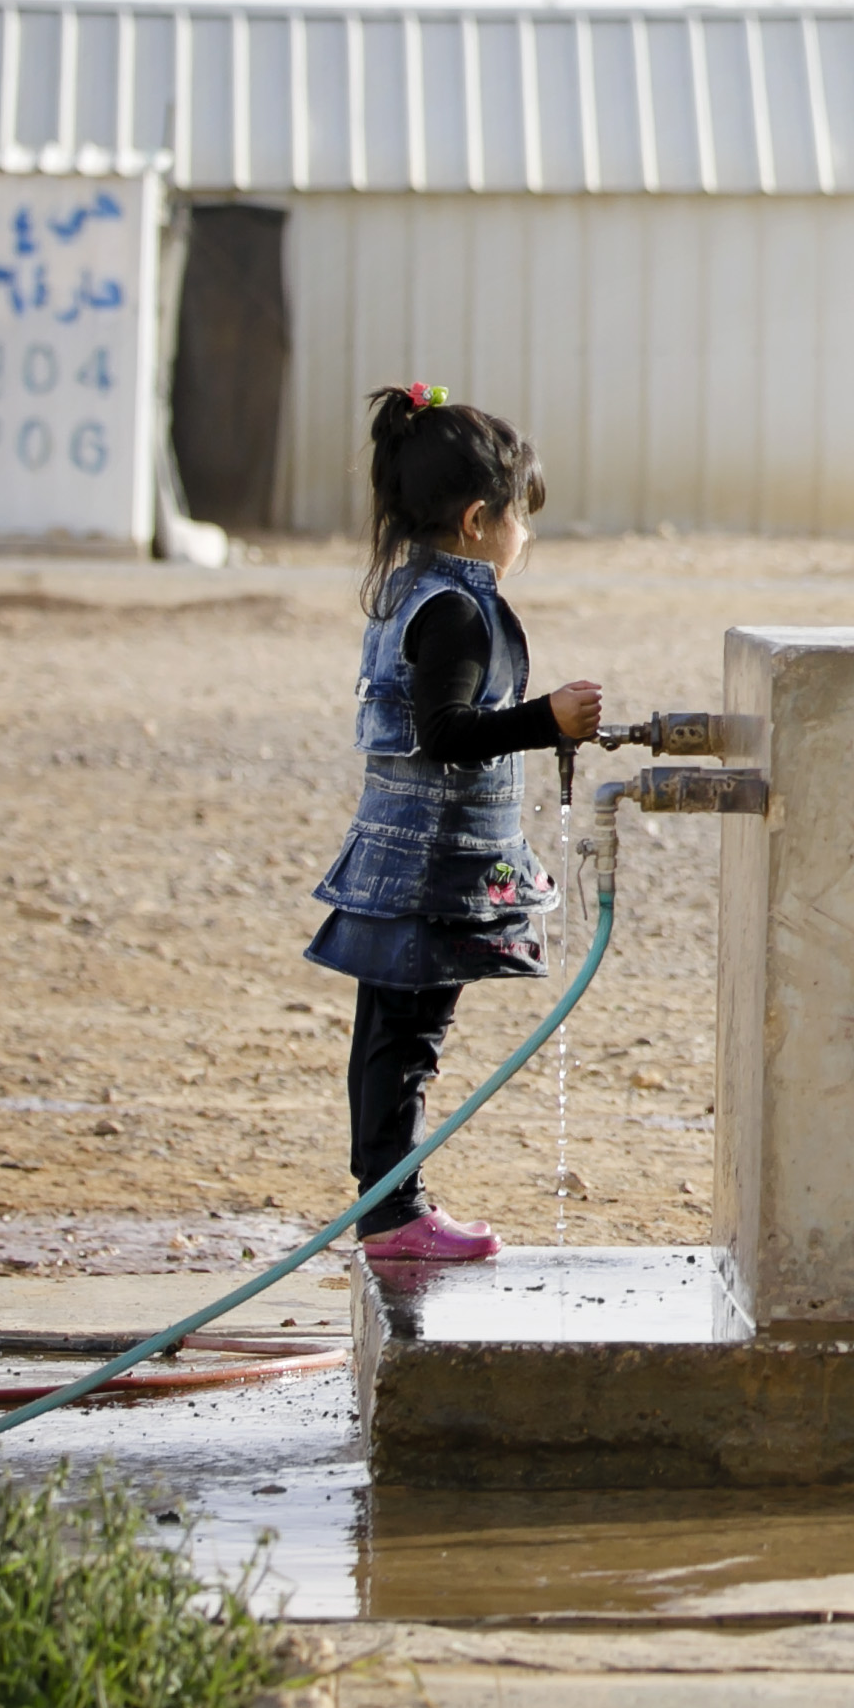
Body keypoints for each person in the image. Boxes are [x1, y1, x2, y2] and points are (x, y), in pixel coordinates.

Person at [303, 385, 602, 1263]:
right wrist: (548, 719)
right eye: (521, 521)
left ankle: (386, 1207)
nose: (526, 540)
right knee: (408, 1040)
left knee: (389, 1032)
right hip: (434, 867)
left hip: (394, 856)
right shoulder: (460, 611)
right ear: (478, 520)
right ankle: (396, 1217)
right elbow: (447, 734)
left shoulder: (408, 593)